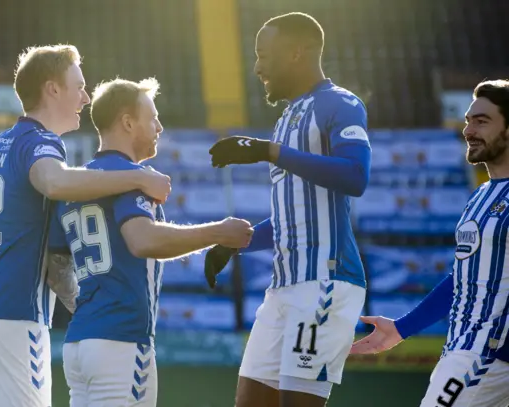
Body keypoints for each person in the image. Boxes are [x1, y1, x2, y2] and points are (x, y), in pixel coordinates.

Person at [0, 45, 171, 407]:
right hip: (11, 318)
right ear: (52, 89)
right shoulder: (41, 141)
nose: (84, 97)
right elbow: (55, 182)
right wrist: (139, 178)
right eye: (78, 86)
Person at [48, 77, 254, 407]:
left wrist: (92, 308)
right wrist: (218, 232)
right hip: (121, 343)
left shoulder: (75, 185)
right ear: (128, 123)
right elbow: (142, 241)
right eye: (153, 117)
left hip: (79, 343)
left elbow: (55, 270)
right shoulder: (132, 179)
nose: (159, 127)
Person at [204, 12, 372, 407]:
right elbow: (293, 217)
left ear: (298, 52)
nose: (257, 67)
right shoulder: (285, 119)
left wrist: (268, 151)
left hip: (324, 284)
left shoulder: (341, 103)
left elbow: (355, 177)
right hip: (284, 287)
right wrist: (238, 243)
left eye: (265, 55)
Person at [350, 79, 509, 407]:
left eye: (482, 121)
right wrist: (402, 328)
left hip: (487, 357)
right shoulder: (480, 196)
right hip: (466, 351)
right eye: (468, 121)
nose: (469, 130)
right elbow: (464, 279)